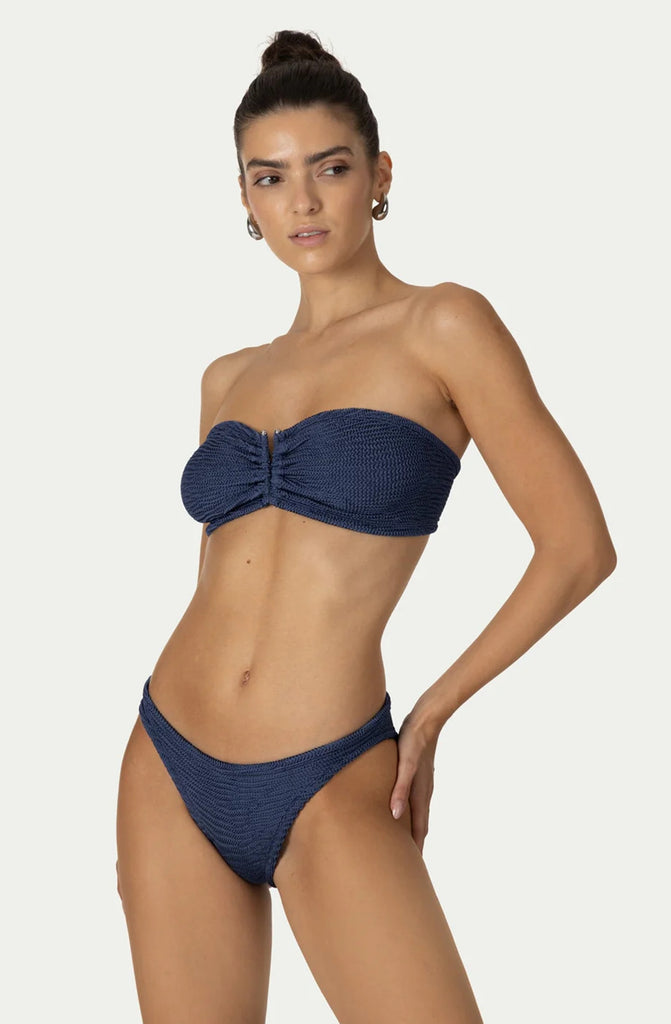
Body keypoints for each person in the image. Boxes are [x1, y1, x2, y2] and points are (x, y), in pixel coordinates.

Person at [115, 28, 617, 1024]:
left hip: (332, 769)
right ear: (244, 199)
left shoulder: (443, 325)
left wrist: (428, 714)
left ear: (378, 175)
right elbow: (222, 580)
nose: (300, 202)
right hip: (169, 759)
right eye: (269, 178)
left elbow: (578, 548)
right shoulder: (226, 378)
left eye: (329, 168)